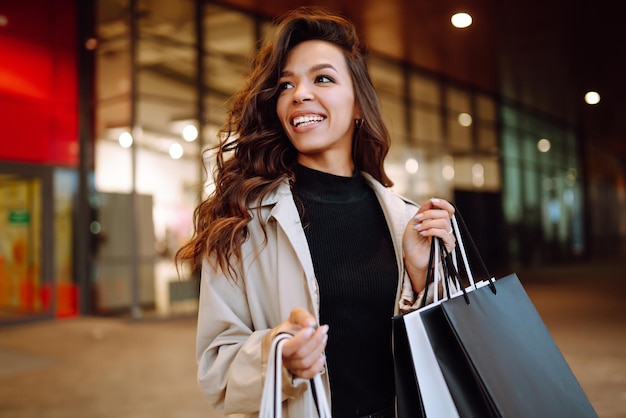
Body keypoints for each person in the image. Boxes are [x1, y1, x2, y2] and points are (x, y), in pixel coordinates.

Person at [175, 6, 456, 418]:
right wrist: (280, 357)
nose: (299, 94)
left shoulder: (405, 221)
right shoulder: (244, 222)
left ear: (359, 104)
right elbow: (217, 371)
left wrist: (420, 278)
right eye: (286, 85)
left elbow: (441, 360)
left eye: (322, 78)